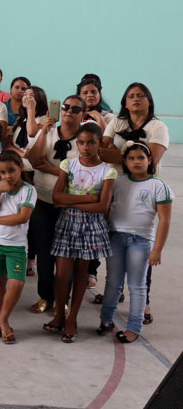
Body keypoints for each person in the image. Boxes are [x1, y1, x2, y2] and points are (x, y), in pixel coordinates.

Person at [99, 82, 169, 322]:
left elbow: (154, 157)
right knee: (116, 254)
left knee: (141, 253)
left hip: (144, 192)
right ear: (124, 102)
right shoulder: (116, 123)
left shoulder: (157, 126)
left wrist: (122, 157)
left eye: (141, 95)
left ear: (149, 101)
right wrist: (130, 156)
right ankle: (113, 300)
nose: (136, 99)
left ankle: (143, 303)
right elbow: (102, 152)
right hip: (117, 189)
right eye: (131, 96)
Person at [44, 122, 116, 343]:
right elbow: (57, 197)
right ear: (77, 143)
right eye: (82, 142)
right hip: (67, 224)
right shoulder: (69, 164)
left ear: (99, 144)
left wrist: (71, 202)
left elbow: (102, 207)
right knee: (62, 274)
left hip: (91, 227)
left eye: (91, 142)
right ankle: (59, 314)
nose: (86, 147)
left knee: (81, 274)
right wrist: (89, 198)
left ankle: (72, 318)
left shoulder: (107, 170)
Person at [98, 141, 173, 343]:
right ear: (125, 161)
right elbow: (107, 209)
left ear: (150, 161)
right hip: (116, 238)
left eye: (141, 158)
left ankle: (134, 328)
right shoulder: (118, 182)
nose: (136, 162)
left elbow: (165, 220)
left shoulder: (159, 186)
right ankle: (106, 319)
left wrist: (157, 250)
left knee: (137, 285)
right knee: (113, 282)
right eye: (131, 158)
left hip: (140, 242)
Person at [25, 94, 84, 314]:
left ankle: (63, 299)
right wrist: (44, 132)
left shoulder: (84, 139)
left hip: (69, 205)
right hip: (43, 200)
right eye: (66, 107)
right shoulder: (48, 133)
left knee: (66, 257)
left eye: (75, 109)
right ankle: (45, 297)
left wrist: (51, 169)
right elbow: (33, 159)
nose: (68, 111)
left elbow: (79, 174)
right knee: (44, 253)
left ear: (83, 115)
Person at [0, 152, 36, 344]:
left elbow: (22, 217)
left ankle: (1, 321)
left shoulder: (28, 190)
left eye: (12, 171)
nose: (8, 176)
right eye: (3, 172)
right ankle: (2, 322)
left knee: (16, 283)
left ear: (21, 167)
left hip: (16, 245)